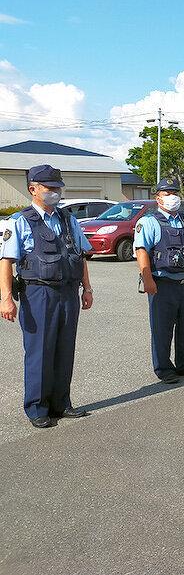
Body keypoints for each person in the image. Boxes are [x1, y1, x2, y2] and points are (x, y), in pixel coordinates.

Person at [0, 164, 94, 428]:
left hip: (68, 291)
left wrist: (87, 288)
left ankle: (61, 403)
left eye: (58, 188)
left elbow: (81, 255)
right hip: (38, 291)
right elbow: (6, 261)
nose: (55, 192)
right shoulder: (19, 221)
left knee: (65, 348)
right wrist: (6, 298)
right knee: (39, 350)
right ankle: (37, 408)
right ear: (33, 189)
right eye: (50, 188)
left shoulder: (68, 219)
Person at [134, 177, 184, 385]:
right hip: (162, 285)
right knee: (162, 329)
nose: (172, 198)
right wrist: (147, 279)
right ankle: (163, 368)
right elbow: (141, 250)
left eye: (175, 193)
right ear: (158, 198)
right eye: (167, 194)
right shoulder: (149, 222)